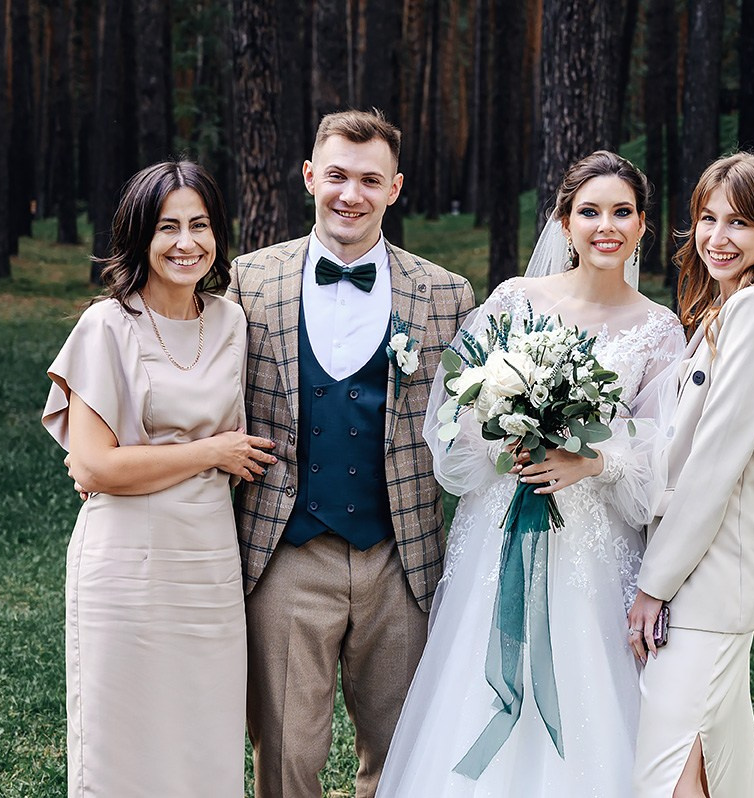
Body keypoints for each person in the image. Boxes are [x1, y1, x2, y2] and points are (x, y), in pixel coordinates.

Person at [377, 150, 685, 796]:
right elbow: (457, 408)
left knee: (588, 686)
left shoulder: (658, 330)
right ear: (564, 222)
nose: (607, 227)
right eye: (590, 212)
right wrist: (507, 438)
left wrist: (592, 459)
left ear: (643, 225)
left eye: (622, 212)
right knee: (476, 671)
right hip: (501, 527)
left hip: (594, 546)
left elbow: (665, 449)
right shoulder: (516, 300)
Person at [226, 109, 476, 798]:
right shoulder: (249, 282)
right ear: (310, 177)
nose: (350, 194)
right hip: (285, 552)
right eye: (336, 175)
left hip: (401, 558)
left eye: (370, 179)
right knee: (284, 752)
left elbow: (478, 423)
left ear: (395, 188)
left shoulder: (448, 295)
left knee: (401, 754)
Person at [42, 160, 275, 797]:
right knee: (122, 743)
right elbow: (95, 467)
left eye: (200, 225)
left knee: (206, 736)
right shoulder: (106, 325)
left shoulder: (233, 323)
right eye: (167, 227)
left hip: (207, 562)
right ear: (139, 235)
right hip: (125, 564)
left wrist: (205, 458)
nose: (185, 243)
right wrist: (212, 452)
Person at [626, 153, 754, 797]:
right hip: (709, 577)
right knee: (721, 766)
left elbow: (715, 464)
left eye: (738, 222)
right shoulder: (729, 309)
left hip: (709, 580)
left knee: (667, 767)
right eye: (707, 218)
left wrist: (655, 585)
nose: (716, 237)